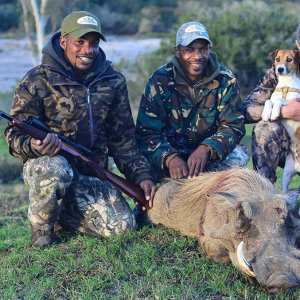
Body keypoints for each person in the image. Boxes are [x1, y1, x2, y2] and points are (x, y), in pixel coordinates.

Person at [4, 11, 156, 248]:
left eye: (93, 43)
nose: (87, 50)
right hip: (48, 169)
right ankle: (43, 232)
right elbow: (13, 136)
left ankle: (65, 212)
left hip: (91, 171)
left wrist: (141, 176)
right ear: (64, 42)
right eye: (80, 42)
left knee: (124, 227)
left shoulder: (113, 81)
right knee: (54, 167)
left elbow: (122, 139)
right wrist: (34, 146)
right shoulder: (37, 80)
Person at [135, 21, 246, 180]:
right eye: (189, 50)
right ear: (178, 51)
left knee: (238, 157)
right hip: (168, 156)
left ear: (209, 50)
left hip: (207, 157)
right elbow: (146, 132)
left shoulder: (225, 79)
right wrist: (169, 158)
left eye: (203, 49)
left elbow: (234, 125)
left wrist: (207, 148)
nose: (198, 56)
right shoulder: (160, 80)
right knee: (150, 187)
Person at [243, 25, 300, 184]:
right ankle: (264, 192)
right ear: (298, 44)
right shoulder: (280, 71)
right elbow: (246, 110)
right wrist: (285, 112)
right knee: (265, 128)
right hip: (288, 146)